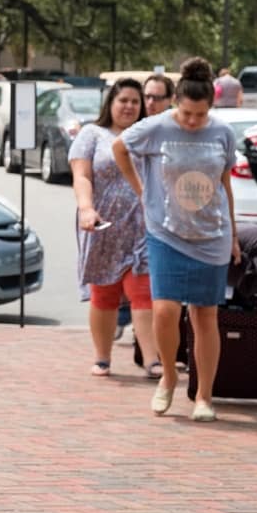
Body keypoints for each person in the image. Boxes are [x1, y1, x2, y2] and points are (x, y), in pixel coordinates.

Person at [113, 57, 241, 422]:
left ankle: (204, 396)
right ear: (177, 105)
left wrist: (232, 233)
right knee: (166, 310)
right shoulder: (156, 128)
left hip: (211, 235)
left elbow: (225, 185)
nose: (191, 122)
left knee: (205, 315)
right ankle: (168, 376)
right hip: (166, 232)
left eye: (199, 115)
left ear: (210, 109)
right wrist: (141, 191)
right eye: (186, 113)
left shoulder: (222, 134)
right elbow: (120, 148)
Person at [70, 79, 161, 378]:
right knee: (104, 293)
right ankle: (102, 357)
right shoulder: (92, 135)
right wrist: (86, 208)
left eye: (135, 101)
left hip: (142, 227)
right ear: (110, 102)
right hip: (104, 226)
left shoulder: (149, 135)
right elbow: (82, 176)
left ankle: (151, 359)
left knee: (143, 289)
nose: (129, 106)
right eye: (123, 100)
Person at [113, 73, 176, 340]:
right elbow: (117, 149)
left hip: (163, 220)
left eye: (156, 97)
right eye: (146, 96)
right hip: (128, 218)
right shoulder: (140, 130)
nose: (149, 102)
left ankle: (152, 344)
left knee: (151, 279)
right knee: (130, 274)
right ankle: (125, 321)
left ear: (170, 100)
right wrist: (141, 192)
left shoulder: (170, 128)